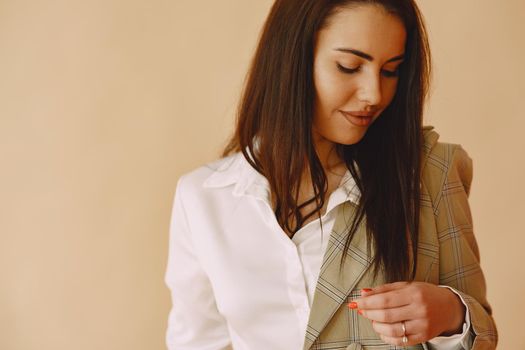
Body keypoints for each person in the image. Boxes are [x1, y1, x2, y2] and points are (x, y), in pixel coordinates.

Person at [164, 0, 498, 349]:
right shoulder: (202, 197)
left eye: (390, 70)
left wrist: (451, 314)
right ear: (291, 61)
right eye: (349, 66)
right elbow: (197, 342)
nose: (374, 94)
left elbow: (484, 331)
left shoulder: (428, 173)